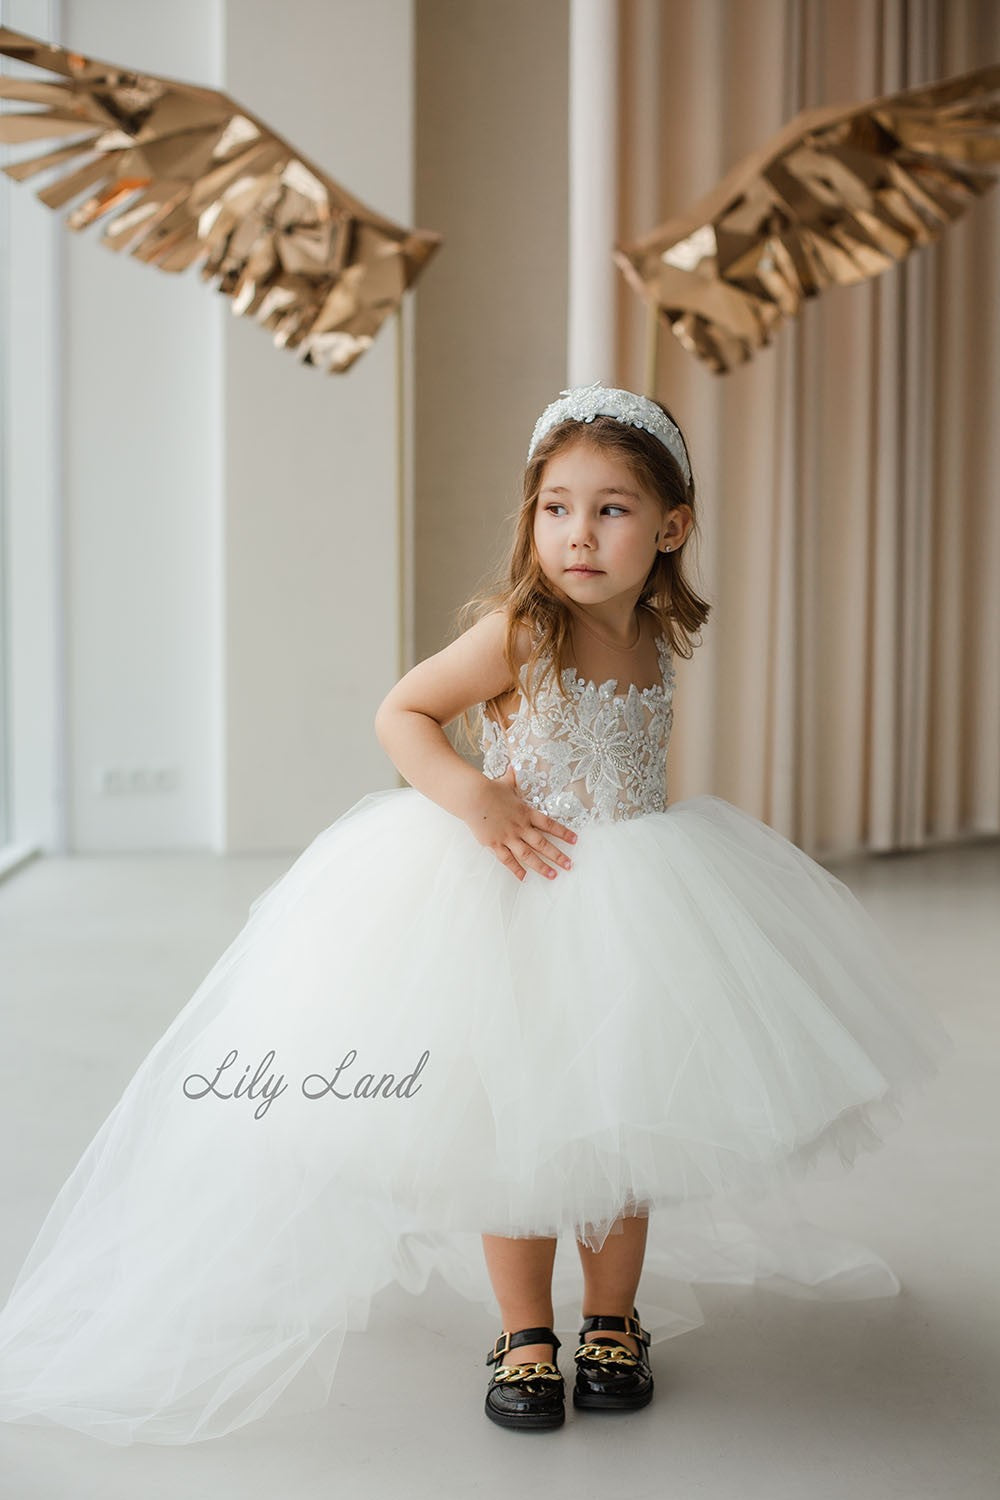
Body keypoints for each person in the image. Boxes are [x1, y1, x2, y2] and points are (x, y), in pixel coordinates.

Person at [0, 382, 954, 1445]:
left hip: (639, 914)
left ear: (670, 528)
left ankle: (608, 1321)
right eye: (555, 507)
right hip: (515, 899)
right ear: (529, 518)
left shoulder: (650, 635)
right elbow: (401, 712)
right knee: (521, 1131)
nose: (578, 534)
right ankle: (522, 1333)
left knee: (619, 1125)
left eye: (611, 509)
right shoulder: (521, 632)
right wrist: (472, 795)